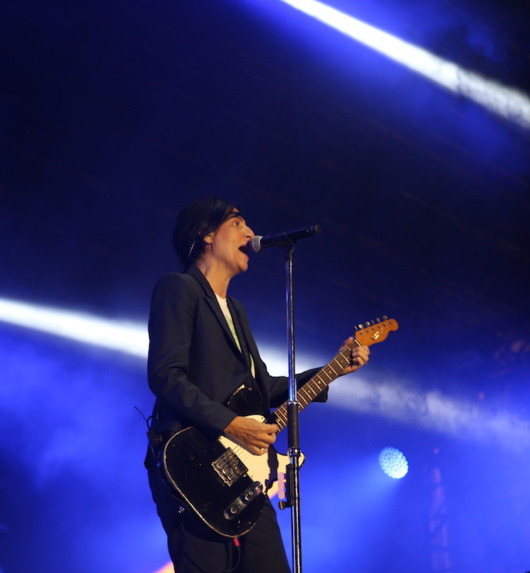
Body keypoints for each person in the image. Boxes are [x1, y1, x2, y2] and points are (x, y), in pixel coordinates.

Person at [144, 196, 370, 573]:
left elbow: (262, 387)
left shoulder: (237, 310)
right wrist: (232, 425)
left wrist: (334, 368)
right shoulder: (179, 288)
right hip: (194, 463)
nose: (250, 232)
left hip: (246, 472)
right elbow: (165, 375)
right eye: (237, 223)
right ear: (205, 234)